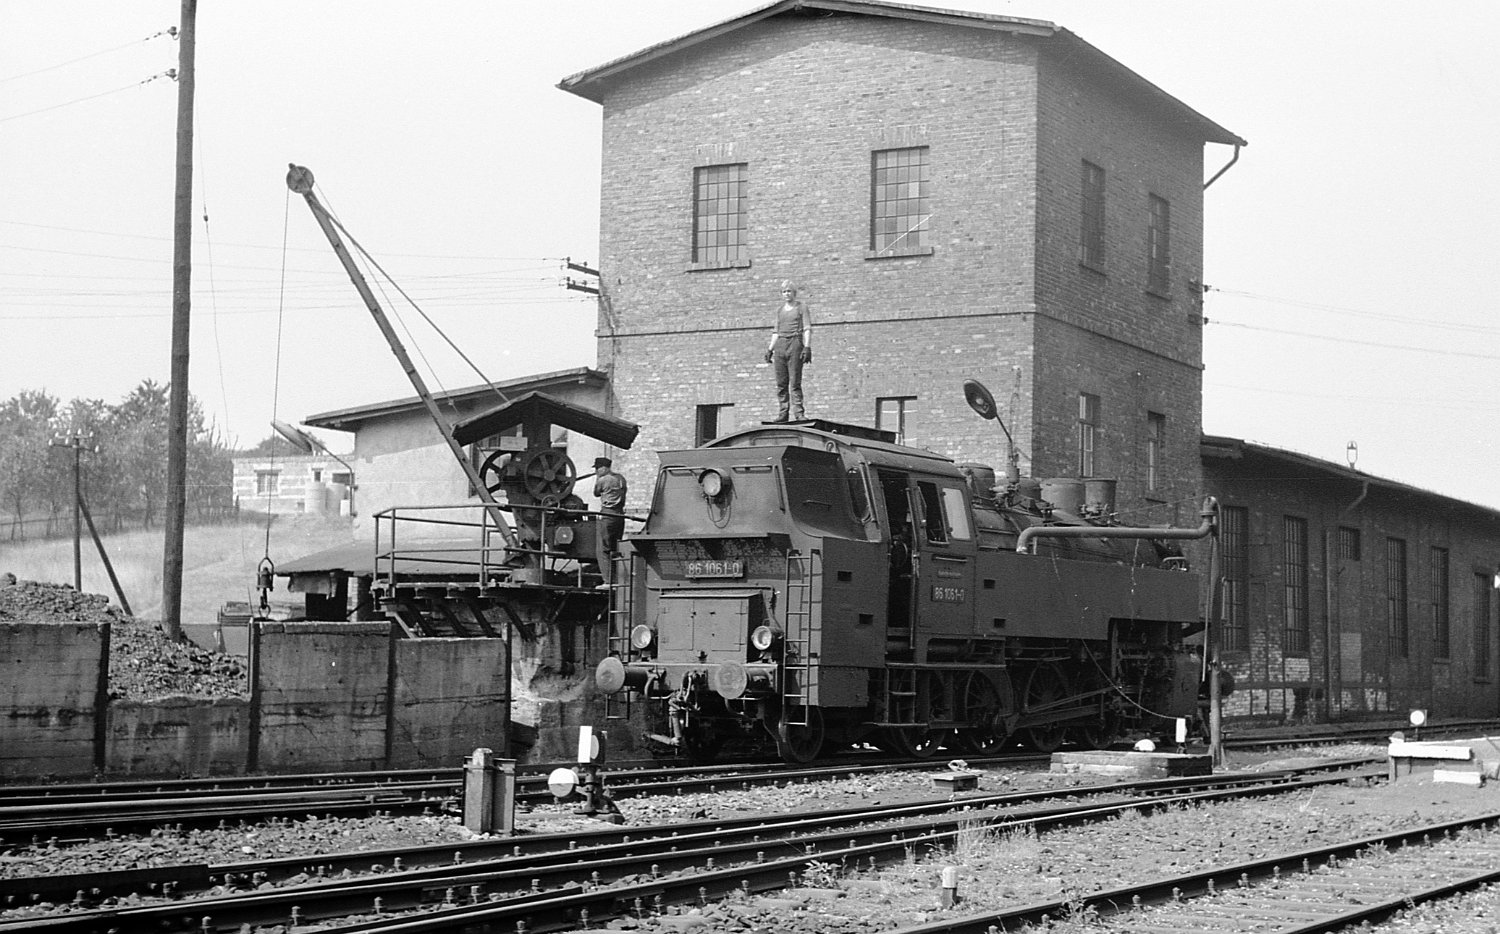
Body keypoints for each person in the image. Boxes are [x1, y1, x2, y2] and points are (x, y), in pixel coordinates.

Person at [763, 280, 812, 422]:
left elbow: (807, 328)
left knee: (795, 381)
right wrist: (770, 349)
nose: (787, 294)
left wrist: (807, 346)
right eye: (784, 291)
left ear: (794, 293)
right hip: (780, 345)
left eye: (789, 291)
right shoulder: (780, 311)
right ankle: (783, 412)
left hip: (795, 342)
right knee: (781, 382)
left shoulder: (801, 307)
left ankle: (799, 413)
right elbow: (776, 332)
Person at [592, 456, 627, 586]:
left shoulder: (603, 480)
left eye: (597, 468)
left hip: (607, 515)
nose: (596, 471)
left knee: (603, 550)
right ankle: (618, 580)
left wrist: (597, 479)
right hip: (620, 516)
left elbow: (596, 493)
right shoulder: (621, 478)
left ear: (603, 468)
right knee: (615, 548)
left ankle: (608, 581)